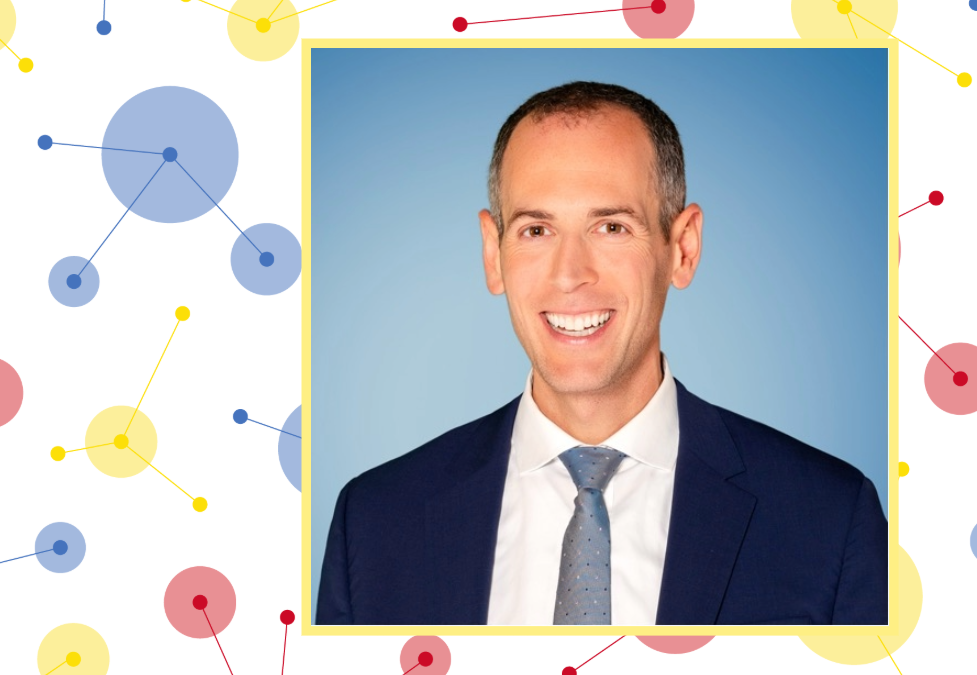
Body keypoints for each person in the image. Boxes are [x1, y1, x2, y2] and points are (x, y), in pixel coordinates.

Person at [316, 81, 887, 626]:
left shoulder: (831, 521)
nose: (570, 276)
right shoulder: (373, 523)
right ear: (493, 254)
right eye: (536, 231)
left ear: (683, 249)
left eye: (611, 226)